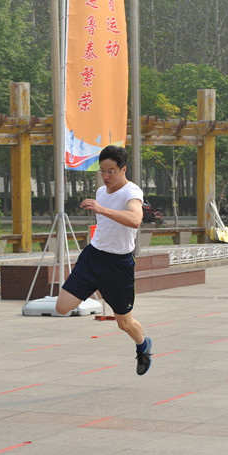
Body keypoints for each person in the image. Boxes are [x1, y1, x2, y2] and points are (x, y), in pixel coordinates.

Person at [55, 146, 153, 375]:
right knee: (62, 307)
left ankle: (143, 345)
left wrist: (101, 209)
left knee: (124, 323)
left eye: (111, 171)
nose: (106, 176)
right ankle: (94, 288)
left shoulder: (132, 192)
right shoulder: (101, 191)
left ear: (123, 170)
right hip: (93, 257)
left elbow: (135, 219)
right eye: (102, 171)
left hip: (118, 266)